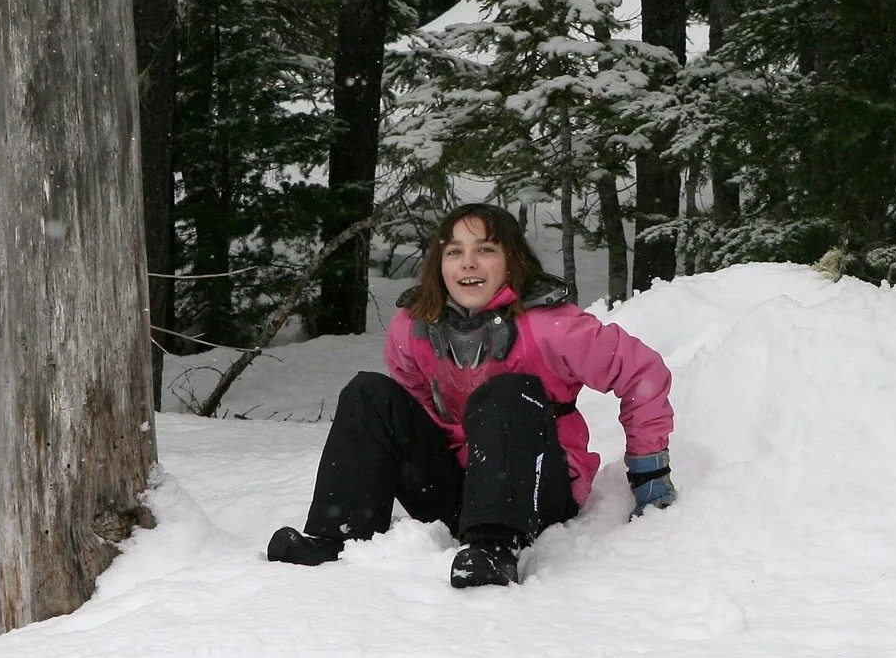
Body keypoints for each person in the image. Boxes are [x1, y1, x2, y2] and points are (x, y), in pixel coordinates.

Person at [267, 203, 676, 588]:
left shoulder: (554, 328)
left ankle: (495, 549)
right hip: (457, 493)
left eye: (485, 249)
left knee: (506, 392)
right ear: (439, 264)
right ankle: (337, 537)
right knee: (368, 393)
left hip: (535, 491)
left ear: (512, 260)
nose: (468, 263)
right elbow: (415, 408)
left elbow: (642, 372)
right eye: (454, 252)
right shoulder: (412, 329)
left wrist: (649, 472)